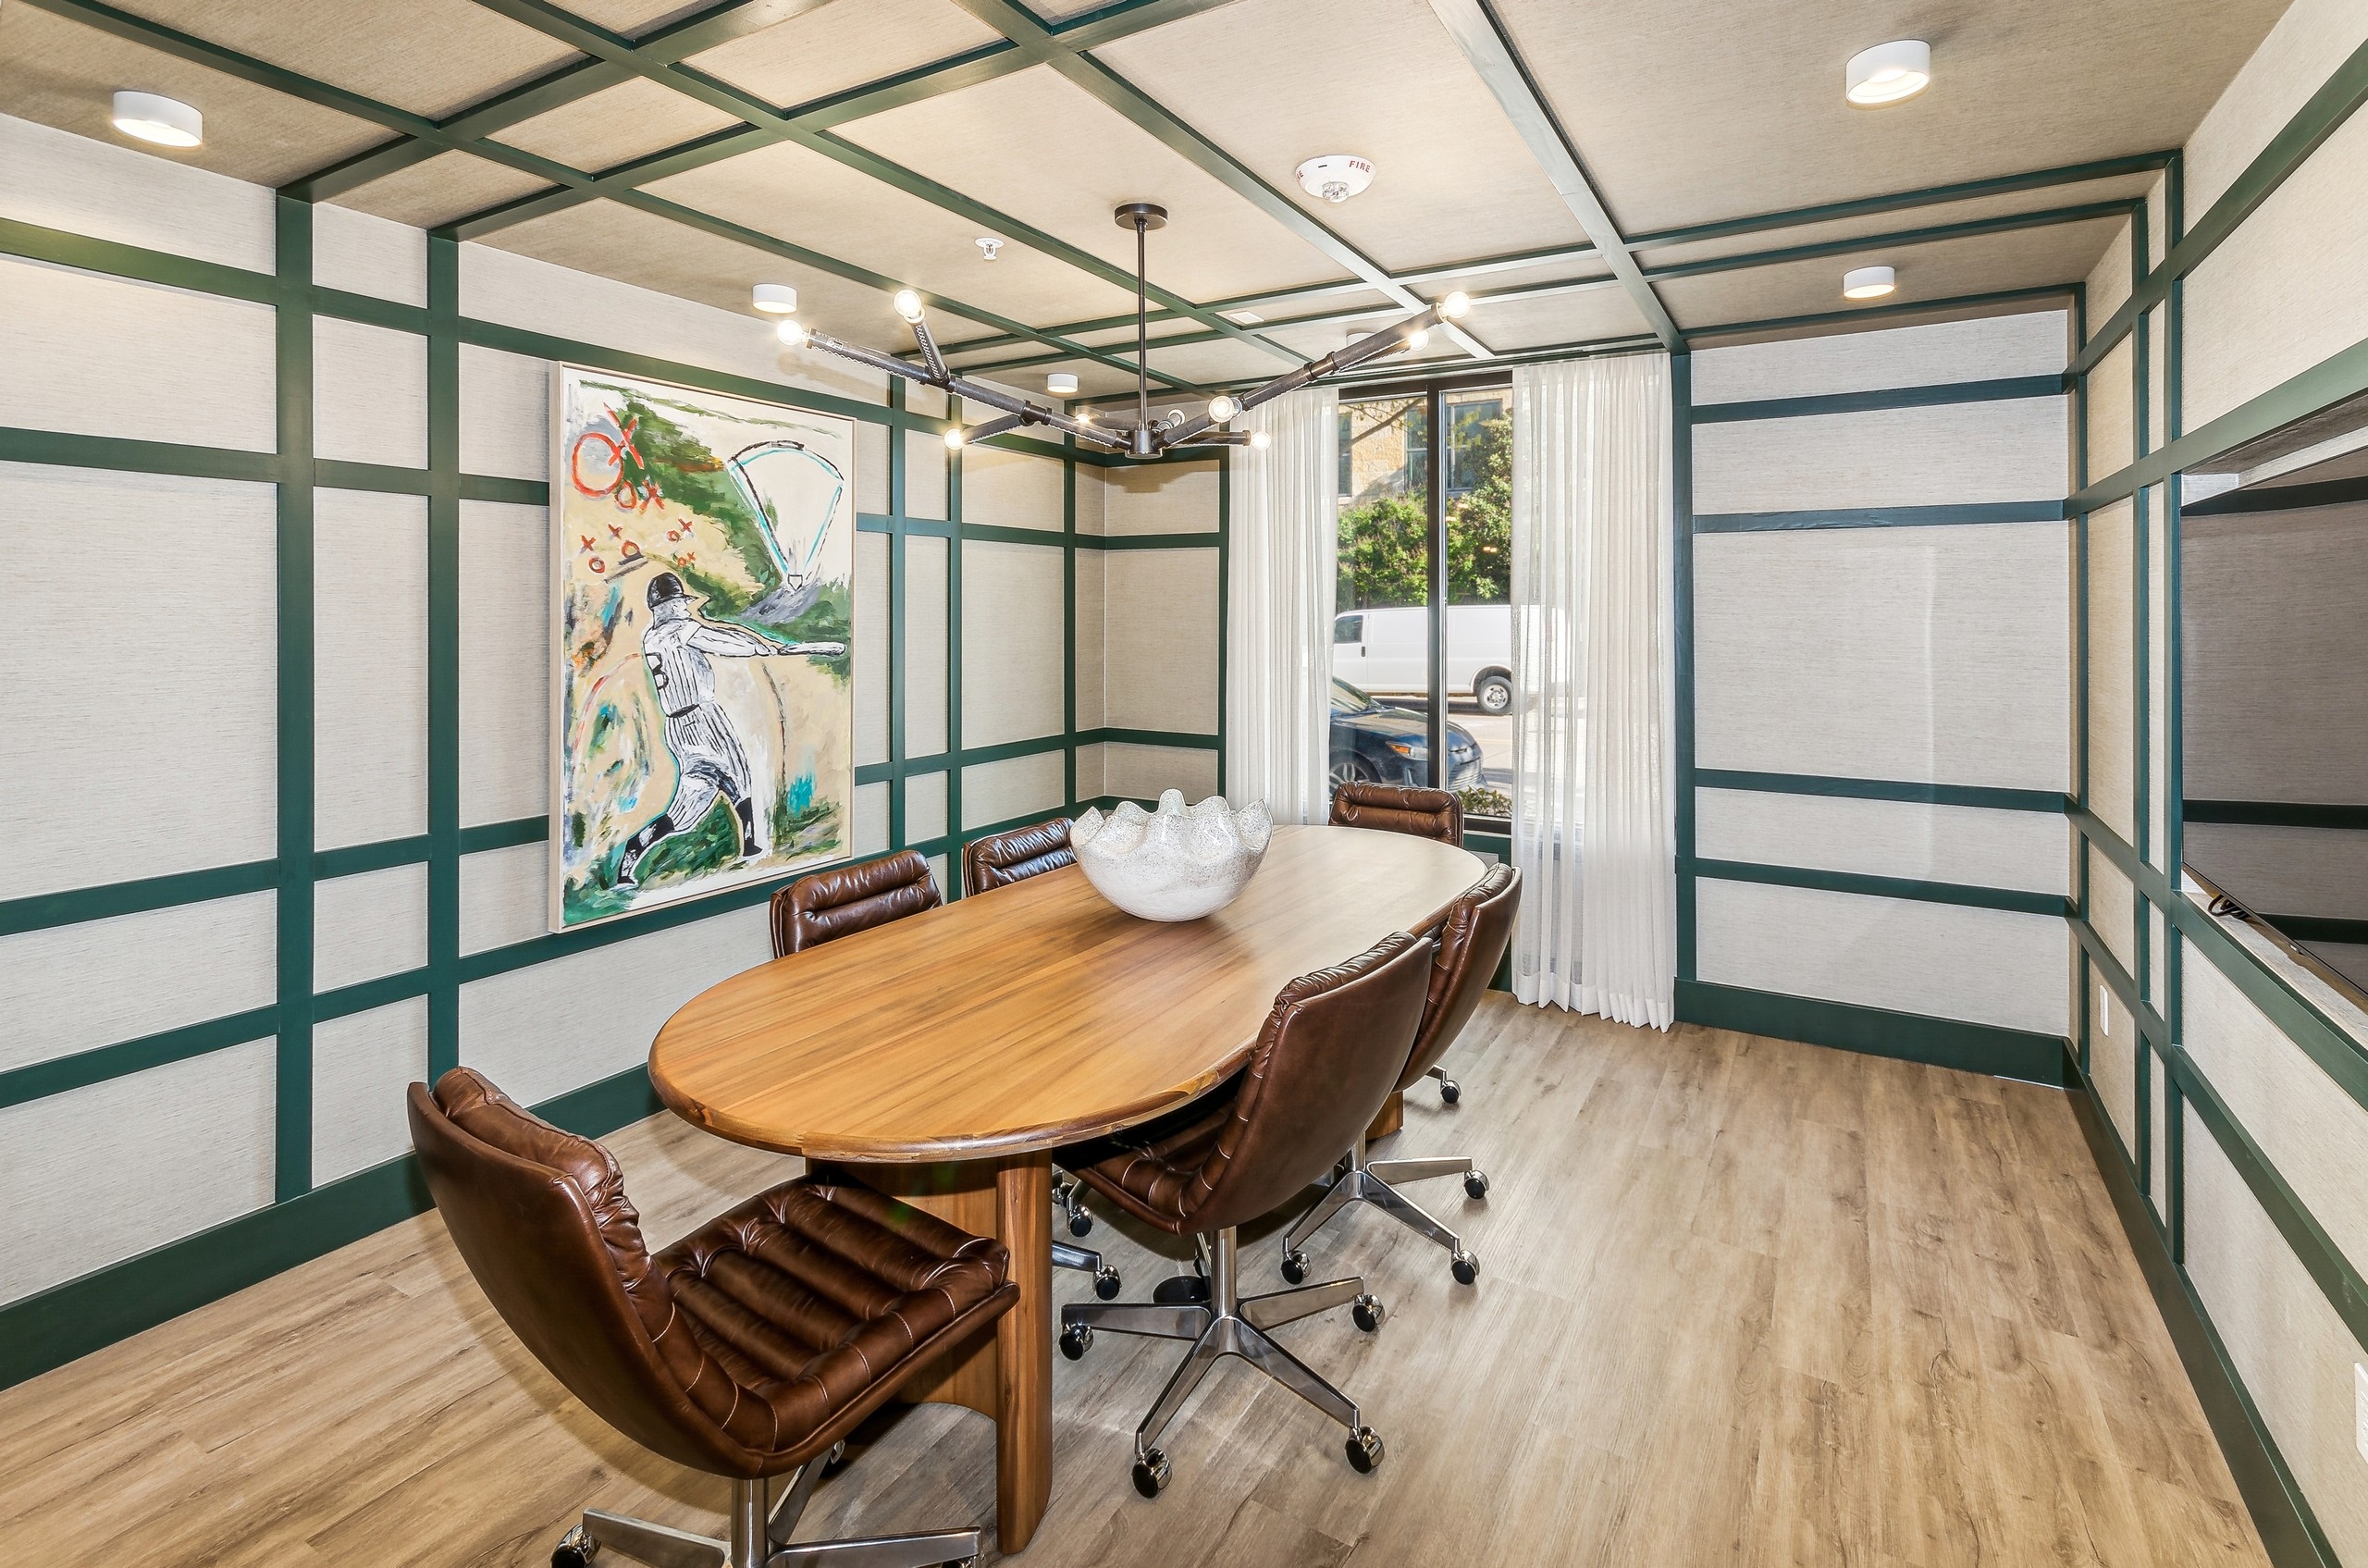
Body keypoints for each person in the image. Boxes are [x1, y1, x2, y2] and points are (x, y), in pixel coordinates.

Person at [615, 572, 844, 888]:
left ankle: (634, 851)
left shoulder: (651, 636)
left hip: (678, 727)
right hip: (702, 717)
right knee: (738, 777)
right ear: (666, 606)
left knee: (688, 810)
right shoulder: (678, 630)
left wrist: (767, 647)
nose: (683, 607)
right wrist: (772, 648)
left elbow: (716, 637)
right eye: (678, 602)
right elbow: (726, 641)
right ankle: (752, 846)